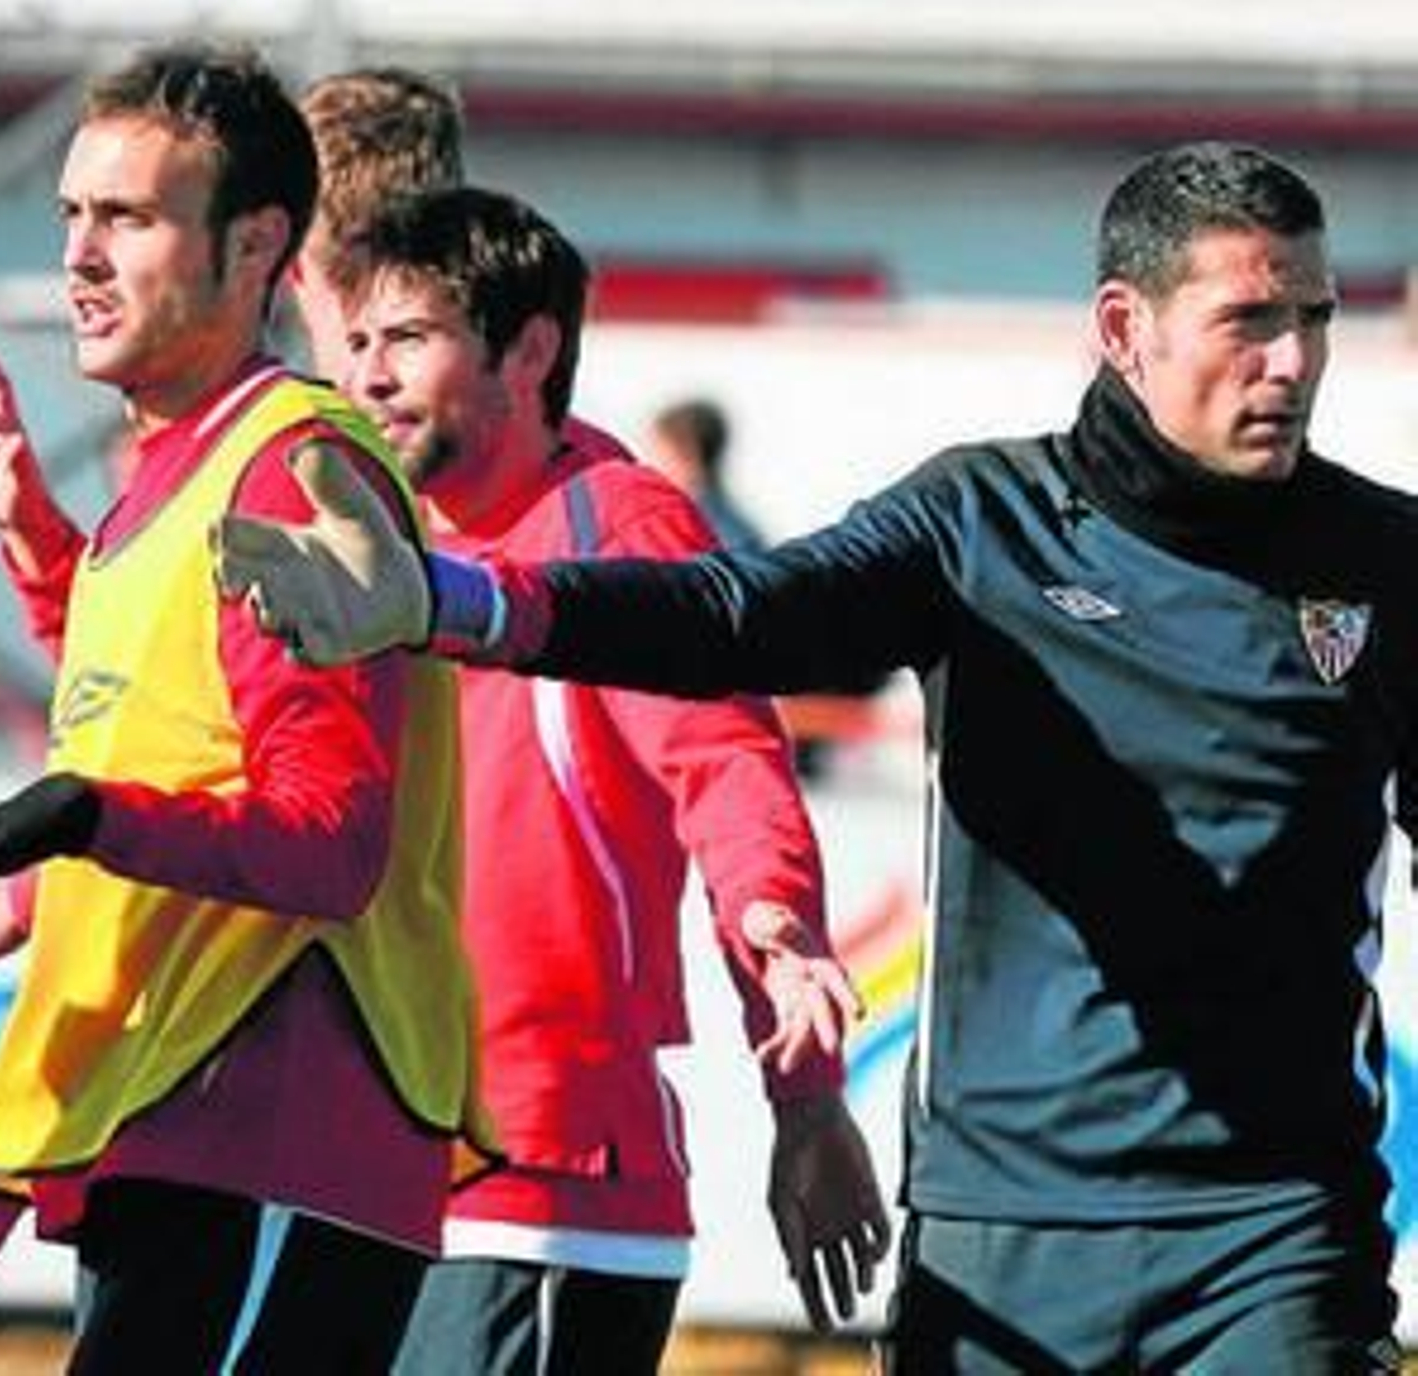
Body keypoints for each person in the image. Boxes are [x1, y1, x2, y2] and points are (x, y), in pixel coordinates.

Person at [215, 140, 1414, 1373]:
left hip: (1278, 1230)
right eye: (1250, 320)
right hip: (999, 1229)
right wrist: (449, 603)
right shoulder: (979, 522)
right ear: (1124, 325)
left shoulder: (1387, 564)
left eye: (1313, 318)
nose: (1294, 361)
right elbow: (741, 610)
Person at [0, 44, 488, 1375]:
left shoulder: (292, 463)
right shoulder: (188, 467)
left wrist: (79, 820)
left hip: (281, 1147)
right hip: (187, 1141)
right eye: (71, 212)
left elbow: (330, 846)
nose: (78, 252)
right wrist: (36, 541)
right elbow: (166, 738)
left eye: (126, 216)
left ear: (257, 247)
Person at [288, 89, 886, 1366]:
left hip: (535, 1177)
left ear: (526, 351)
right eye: (348, 330)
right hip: (347, 1157)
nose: (360, 365)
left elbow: (727, 766)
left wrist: (794, 1035)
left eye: (401, 331)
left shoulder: (615, 522)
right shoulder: (339, 520)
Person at [643, 396, 766, 552]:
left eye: (660, 454)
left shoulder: (710, 534)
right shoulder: (740, 529)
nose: (648, 466)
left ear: (688, 455)